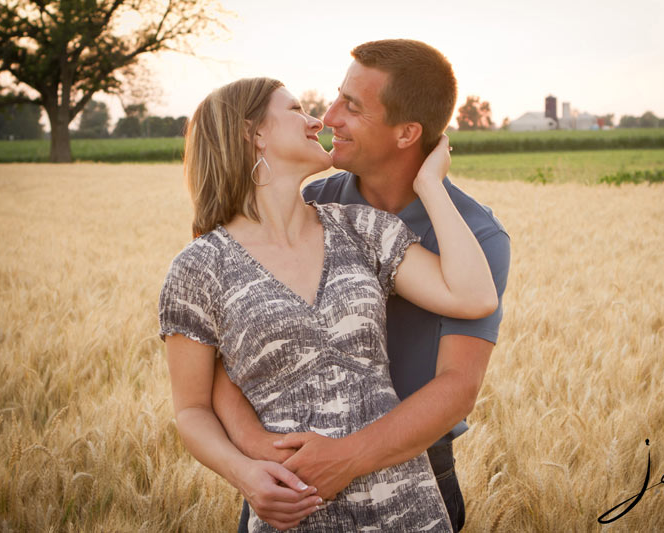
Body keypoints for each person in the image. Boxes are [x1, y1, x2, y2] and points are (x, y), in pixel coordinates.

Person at [159, 75, 499, 531]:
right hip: (294, 507)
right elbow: (193, 409)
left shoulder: (359, 228)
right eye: (297, 109)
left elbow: (474, 296)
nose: (317, 119)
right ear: (253, 133)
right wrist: (245, 474)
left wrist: (430, 185)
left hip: (405, 502)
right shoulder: (199, 267)